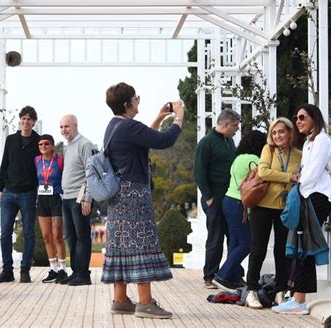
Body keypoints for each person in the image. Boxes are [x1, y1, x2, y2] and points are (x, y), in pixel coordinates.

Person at [101, 82, 183, 319]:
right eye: (136, 98)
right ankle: (145, 303)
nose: (138, 101)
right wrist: (179, 117)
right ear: (128, 104)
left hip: (119, 197)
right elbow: (164, 140)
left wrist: (158, 116)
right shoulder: (129, 127)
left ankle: (120, 300)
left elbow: (146, 139)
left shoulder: (114, 126)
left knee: (121, 246)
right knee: (140, 245)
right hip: (134, 196)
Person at [272, 104, 331, 315]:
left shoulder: (322, 140)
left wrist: (298, 190)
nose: (297, 121)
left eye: (301, 117)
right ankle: (298, 297)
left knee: (305, 247)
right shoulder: (310, 142)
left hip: (317, 196)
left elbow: (314, 172)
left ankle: (299, 300)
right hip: (308, 195)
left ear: (314, 119)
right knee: (301, 246)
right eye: (296, 117)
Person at [245, 117, 302, 309]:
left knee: (282, 252)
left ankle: (280, 292)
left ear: (289, 133)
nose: (277, 135)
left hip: (285, 209)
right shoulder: (268, 150)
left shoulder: (298, 155)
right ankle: (251, 291)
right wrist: (289, 177)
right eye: (274, 132)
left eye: (281, 131)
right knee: (258, 249)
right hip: (262, 206)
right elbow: (263, 172)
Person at [193, 108, 241, 289]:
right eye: (235, 126)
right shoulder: (206, 143)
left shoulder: (230, 142)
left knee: (234, 238)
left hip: (230, 198)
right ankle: (209, 276)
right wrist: (209, 197)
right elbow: (199, 171)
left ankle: (233, 275)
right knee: (216, 237)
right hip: (214, 199)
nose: (236, 130)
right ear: (226, 124)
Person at [213, 130, 267, 290]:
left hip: (228, 201)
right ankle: (222, 275)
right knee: (247, 243)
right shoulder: (254, 160)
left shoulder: (238, 158)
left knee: (235, 242)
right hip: (239, 204)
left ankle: (233, 278)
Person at [0, 106, 40, 283]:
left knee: (29, 233)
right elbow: (4, 164)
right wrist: (0, 189)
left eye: (29, 119)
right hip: (9, 193)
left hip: (28, 193)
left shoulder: (38, 141)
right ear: (20, 120)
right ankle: (7, 271)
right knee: (5, 233)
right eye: (23, 118)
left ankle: (25, 270)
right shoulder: (11, 140)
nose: (25, 121)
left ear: (33, 122)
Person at [59, 114, 95, 286]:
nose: (64, 130)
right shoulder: (68, 146)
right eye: (61, 127)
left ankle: (84, 274)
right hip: (66, 197)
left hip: (80, 197)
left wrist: (87, 199)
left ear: (75, 126)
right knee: (71, 237)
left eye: (67, 126)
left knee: (82, 237)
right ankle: (75, 271)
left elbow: (91, 172)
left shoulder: (85, 144)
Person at [34, 134, 68, 284]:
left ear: (53, 146)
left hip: (56, 198)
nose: (43, 146)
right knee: (47, 236)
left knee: (57, 236)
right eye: (40, 144)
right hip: (42, 199)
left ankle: (63, 269)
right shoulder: (36, 160)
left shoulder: (60, 160)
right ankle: (53, 269)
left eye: (46, 144)